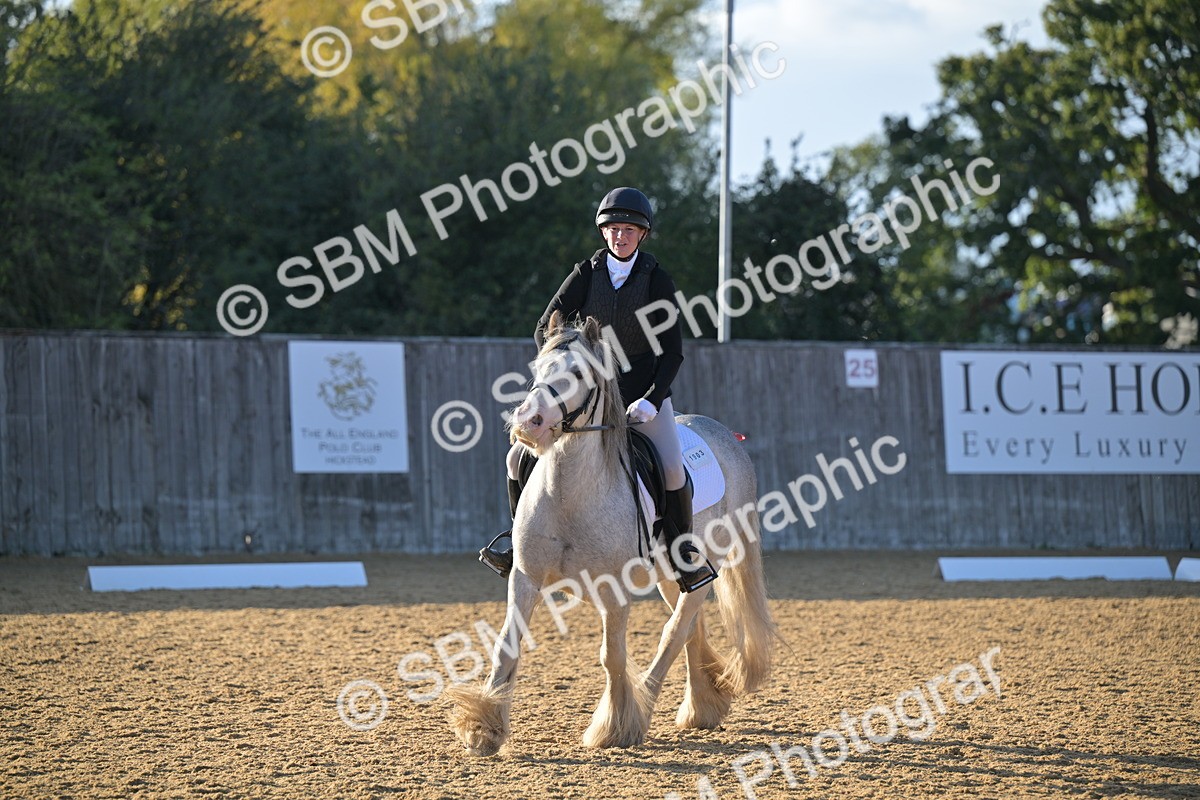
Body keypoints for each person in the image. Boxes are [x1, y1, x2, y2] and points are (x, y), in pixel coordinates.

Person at [479, 187, 717, 593]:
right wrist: (563, 367)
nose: (620, 237)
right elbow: (544, 327)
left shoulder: (657, 280)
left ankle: (683, 556)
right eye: (613, 229)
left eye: (629, 230)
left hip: (641, 396)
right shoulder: (586, 273)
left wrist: (653, 399)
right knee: (516, 457)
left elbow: (673, 352)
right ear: (604, 232)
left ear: (642, 235)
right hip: (586, 400)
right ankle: (518, 546)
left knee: (672, 468)